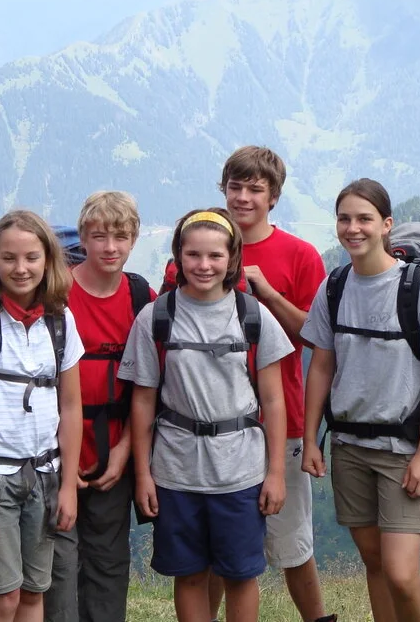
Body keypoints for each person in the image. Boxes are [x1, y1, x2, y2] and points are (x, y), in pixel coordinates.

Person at [300, 178, 420, 622]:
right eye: (345, 219)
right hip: (349, 446)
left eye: (364, 219)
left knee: (402, 573)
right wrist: (311, 439)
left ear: (386, 225)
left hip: (402, 450)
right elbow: (321, 367)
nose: (353, 228)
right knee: (375, 564)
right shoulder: (333, 287)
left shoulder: (419, 290)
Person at [123, 207, 291, 622]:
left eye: (215, 256)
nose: (204, 265)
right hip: (176, 471)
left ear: (232, 258)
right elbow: (142, 401)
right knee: (190, 574)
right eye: (193, 255)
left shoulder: (252, 315)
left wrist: (276, 473)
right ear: (178, 256)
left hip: (240, 471)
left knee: (240, 575)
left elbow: (274, 400)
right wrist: (143, 473)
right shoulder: (157, 316)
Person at [195, 146, 332, 622]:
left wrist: (267, 293)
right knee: (214, 548)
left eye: (255, 189)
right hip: (208, 421)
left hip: (282, 417)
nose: (244, 198)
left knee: (292, 542)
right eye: (235, 187)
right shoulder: (200, 247)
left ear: (274, 196)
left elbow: (315, 336)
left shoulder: (299, 254)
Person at [0, 210, 84, 622]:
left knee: (33, 591)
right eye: (8, 258)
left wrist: (69, 487)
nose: (20, 269)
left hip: (44, 475)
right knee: (3, 597)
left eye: (31, 258)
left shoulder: (61, 322)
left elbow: (71, 406)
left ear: (48, 261)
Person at [44, 191, 155, 622]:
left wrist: (127, 449)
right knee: (59, 563)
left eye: (121, 237)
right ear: (83, 239)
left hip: (115, 446)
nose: (111, 247)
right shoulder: (57, 294)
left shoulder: (141, 296)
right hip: (55, 450)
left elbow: (150, 386)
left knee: (109, 561)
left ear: (134, 239)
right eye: (99, 236)